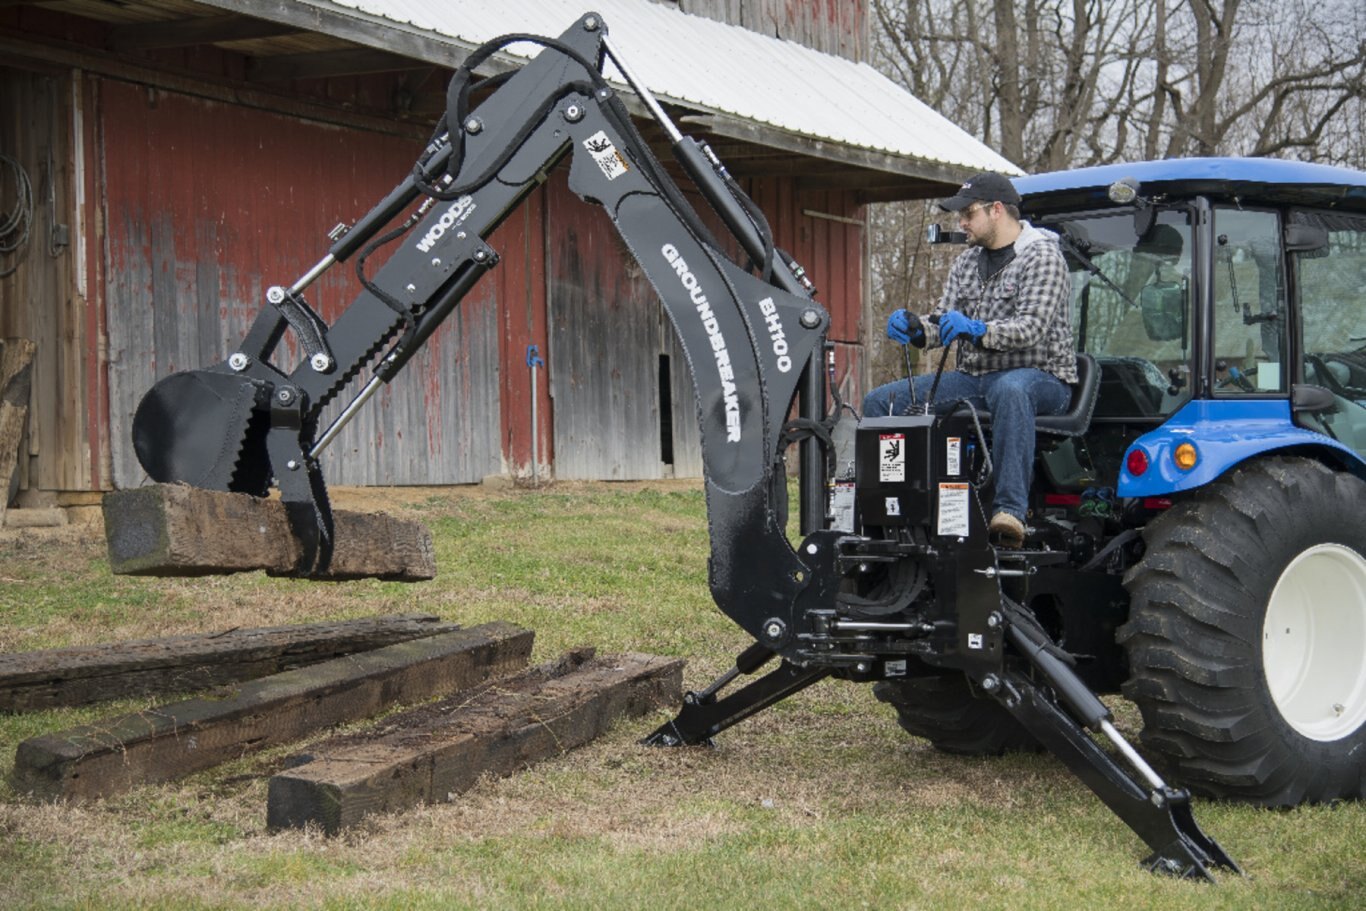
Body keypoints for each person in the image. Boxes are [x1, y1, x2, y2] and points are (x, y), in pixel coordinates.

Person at [863, 172, 1076, 548]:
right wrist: (916, 328)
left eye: (968, 213)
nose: (961, 222)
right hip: (975, 379)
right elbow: (942, 322)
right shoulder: (966, 263)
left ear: (997, 210)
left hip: (1041, 377)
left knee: (1011, 389)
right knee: (882, 402)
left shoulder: (1043, 257)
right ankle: (890, 511)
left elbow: (1031, 329)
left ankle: (1010, 512)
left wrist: (976, 330)